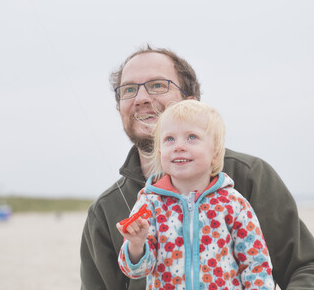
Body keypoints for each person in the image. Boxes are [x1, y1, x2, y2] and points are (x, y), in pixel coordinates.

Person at [80, 45, 314, 290]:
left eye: (157, 85)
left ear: (192, 103)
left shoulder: (248, 176)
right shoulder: (104, 211)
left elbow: (313, 269)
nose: (141, 98)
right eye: (128, 90)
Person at [116, 100, 275, 290]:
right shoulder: (149, 203)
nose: (179, 146)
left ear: (215, 152)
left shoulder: (233, 203)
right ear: (160, 153)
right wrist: (136, 244)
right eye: (169, 139)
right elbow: (137, 270)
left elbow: (256, 264)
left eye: (191, 137)